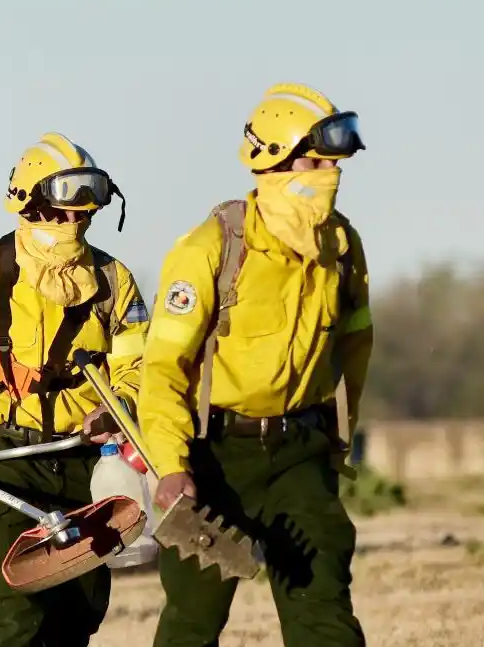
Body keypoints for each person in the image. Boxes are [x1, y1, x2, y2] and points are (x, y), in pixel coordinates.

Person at [136, 82, 372, 647]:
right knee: (192, 621)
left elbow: (353, 354)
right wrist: (171, 467)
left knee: (326, 613)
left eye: (336, 161)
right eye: (317, 160)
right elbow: (163, 369)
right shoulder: (210, 249)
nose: (331, 172)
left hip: (301, 452)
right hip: (214, 459)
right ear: (274, 161)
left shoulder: (343, 246)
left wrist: (337, 444)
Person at [0, 132, 150, 646]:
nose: (74, 225)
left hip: (84, 461)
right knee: (12, 614)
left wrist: (119, 408)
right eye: (62, 215)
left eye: (84, 216)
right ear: (30, 207)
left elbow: (140, 365)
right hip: (1, 458)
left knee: (75, 616)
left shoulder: (116, 282)